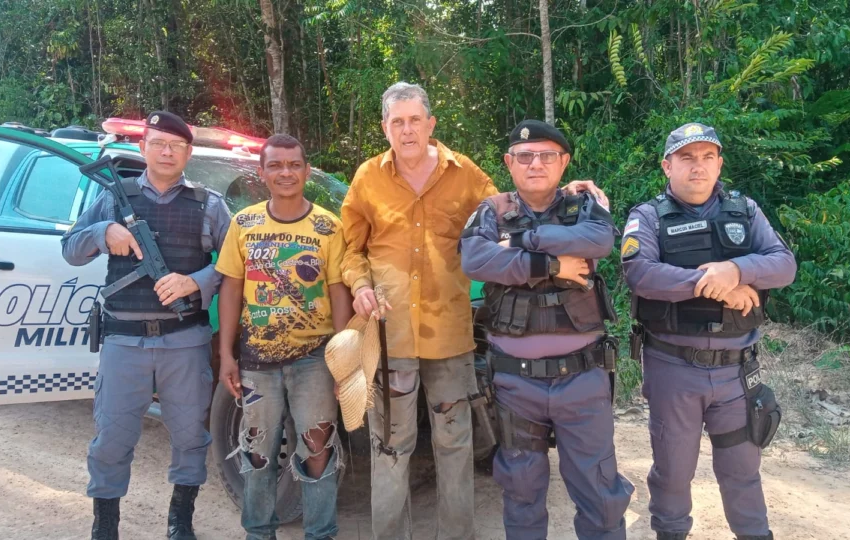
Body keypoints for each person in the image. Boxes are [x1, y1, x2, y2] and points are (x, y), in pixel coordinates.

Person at [340, 82, 607, 540]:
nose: (407, 130)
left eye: (415, 120)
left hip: (449, 336)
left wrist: (569, 190)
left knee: (454, 444)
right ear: (385, 127)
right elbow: (351, 249)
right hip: (389, 335)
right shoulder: (368, 177)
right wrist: (360, 284)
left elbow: (515, 208)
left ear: (431, 124)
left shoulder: (463, 173)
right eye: (397, 122)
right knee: (389, 448)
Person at [61, 111, 232, 540]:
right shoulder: (112, 200)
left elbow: (237, 267)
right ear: (143, 149)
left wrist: (195, 280)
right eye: (158, 143)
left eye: (176, 145)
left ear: (188, 152)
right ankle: (105, 525)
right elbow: (70, 249)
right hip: (123, 340)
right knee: (112, 437)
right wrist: (104, 233)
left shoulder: (209, 204)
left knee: (191, 435)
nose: (167, 151)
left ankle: (181, 521)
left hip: (185, 341)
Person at [460, 119, 634, 539]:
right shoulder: (492, 210)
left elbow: (599, 242)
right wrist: (553, 263)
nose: (535, 163)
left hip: (582, 378)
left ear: (564, 162)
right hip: (515, 383)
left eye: (547, 156)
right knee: (521, 491)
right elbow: (477, 261)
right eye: (524, 156)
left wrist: (520, 244)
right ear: (509, 162)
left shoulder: (583, 204)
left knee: (600, 492)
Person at [622, 123, 796, 540]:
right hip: (673, 369)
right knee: (673, 474)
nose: (697, 167)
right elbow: (640, 274)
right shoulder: (647, 216)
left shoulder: (746, 211)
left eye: (706, 157)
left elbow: (783, 264)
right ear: (667, 166)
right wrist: (720, 287)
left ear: (719, 164)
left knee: (742, 473)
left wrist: (736, 269)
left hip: (737, 372)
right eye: (686, 158)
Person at [215, 134, 353, 540]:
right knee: (257, 454)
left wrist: (342, 359)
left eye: (294, 164)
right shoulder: (244, 223)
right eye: (275, 165)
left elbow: (338, 291)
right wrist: (226, 354)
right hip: (256, 363)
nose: (286, 172)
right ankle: (258, 533)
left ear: (307, 170)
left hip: (314, 361)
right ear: (262, 173)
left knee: (318, 451)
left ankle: (320, 533)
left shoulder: (329, 226)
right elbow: (231, 289)